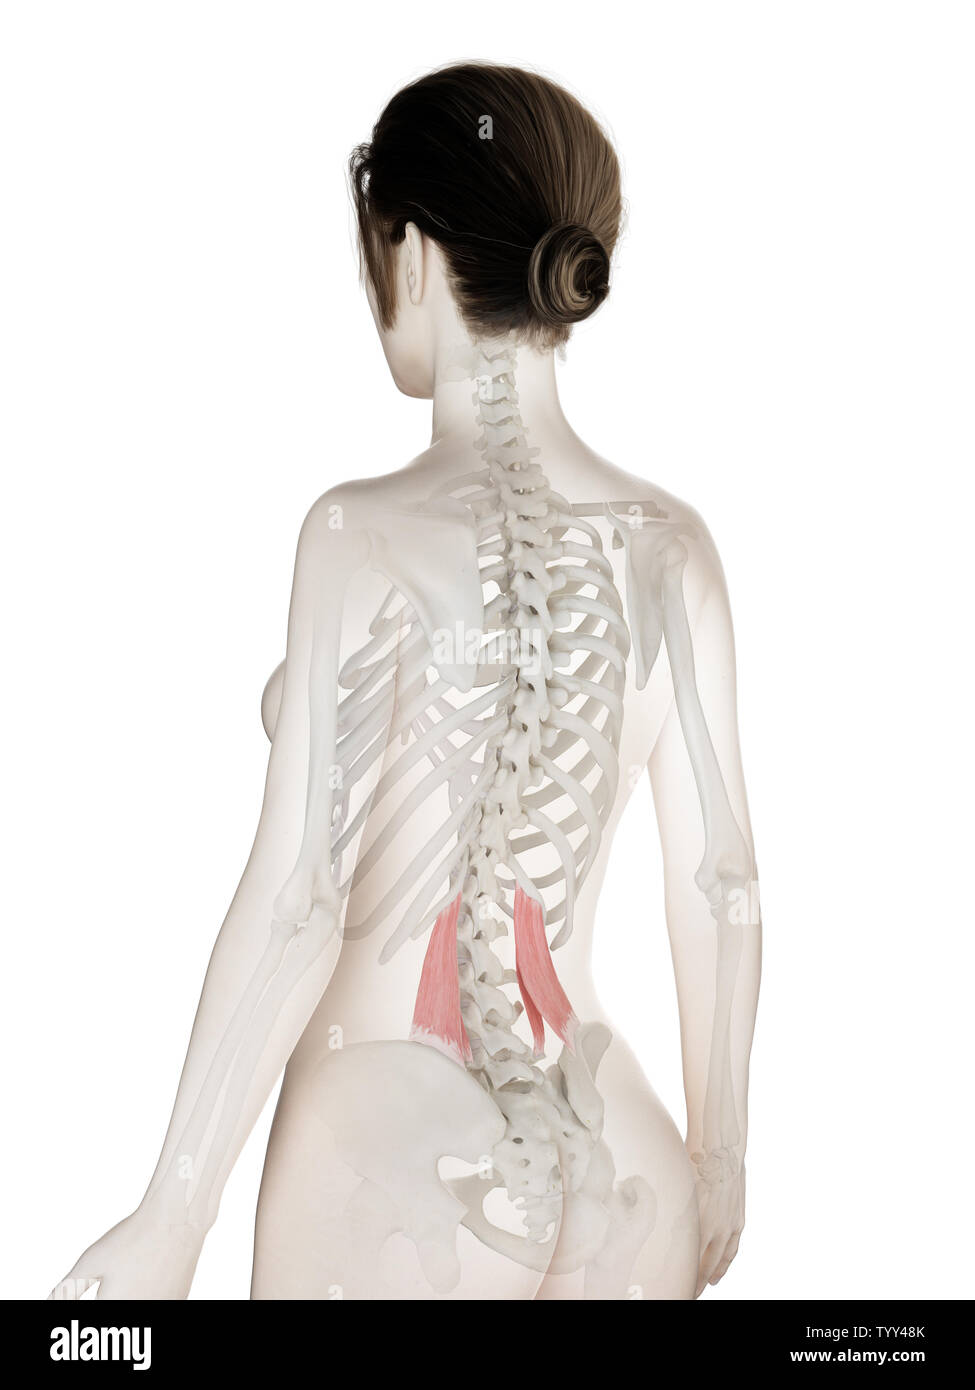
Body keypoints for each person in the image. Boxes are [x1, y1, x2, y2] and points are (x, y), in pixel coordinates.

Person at [51, 61, 760, 1302]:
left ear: (414, 256)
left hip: (390, 1170)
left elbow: (298, 902)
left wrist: (170, 1215)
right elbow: (724, 883)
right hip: (624, 1159)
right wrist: (721, 1157)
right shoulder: (672, 544)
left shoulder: (358, 535)